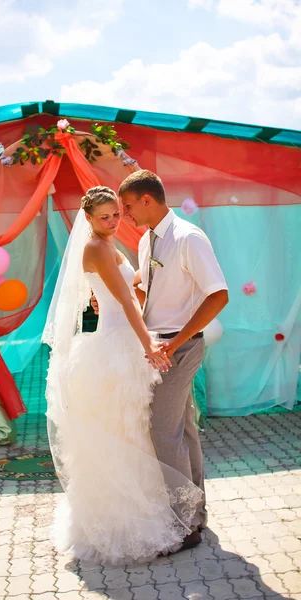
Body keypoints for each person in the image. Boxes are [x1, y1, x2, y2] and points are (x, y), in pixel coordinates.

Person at [42, 186, 203, 566]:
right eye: (105, 217)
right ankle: (128, 522)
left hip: (122, 342)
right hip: (115, 347)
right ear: (89, 219)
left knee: (137, 432)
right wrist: (148, 344)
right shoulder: (96, 247)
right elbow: (129, 304)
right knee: (125, 435)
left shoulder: (107, 245)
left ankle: (162, 512)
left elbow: (129, 291)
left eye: (117, 213)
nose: (114, 221)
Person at [116, 169, 229, 549]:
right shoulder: (147, 239)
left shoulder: (188, 238)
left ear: (148, 199)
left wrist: (174, 341)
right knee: (184, 431)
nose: (126, 215)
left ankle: (183, 525)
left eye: (129, 207)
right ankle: (196, 514)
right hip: (159, 347)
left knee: (163, 435)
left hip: (179, 348)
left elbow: (218, 295)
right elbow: (150, 294)